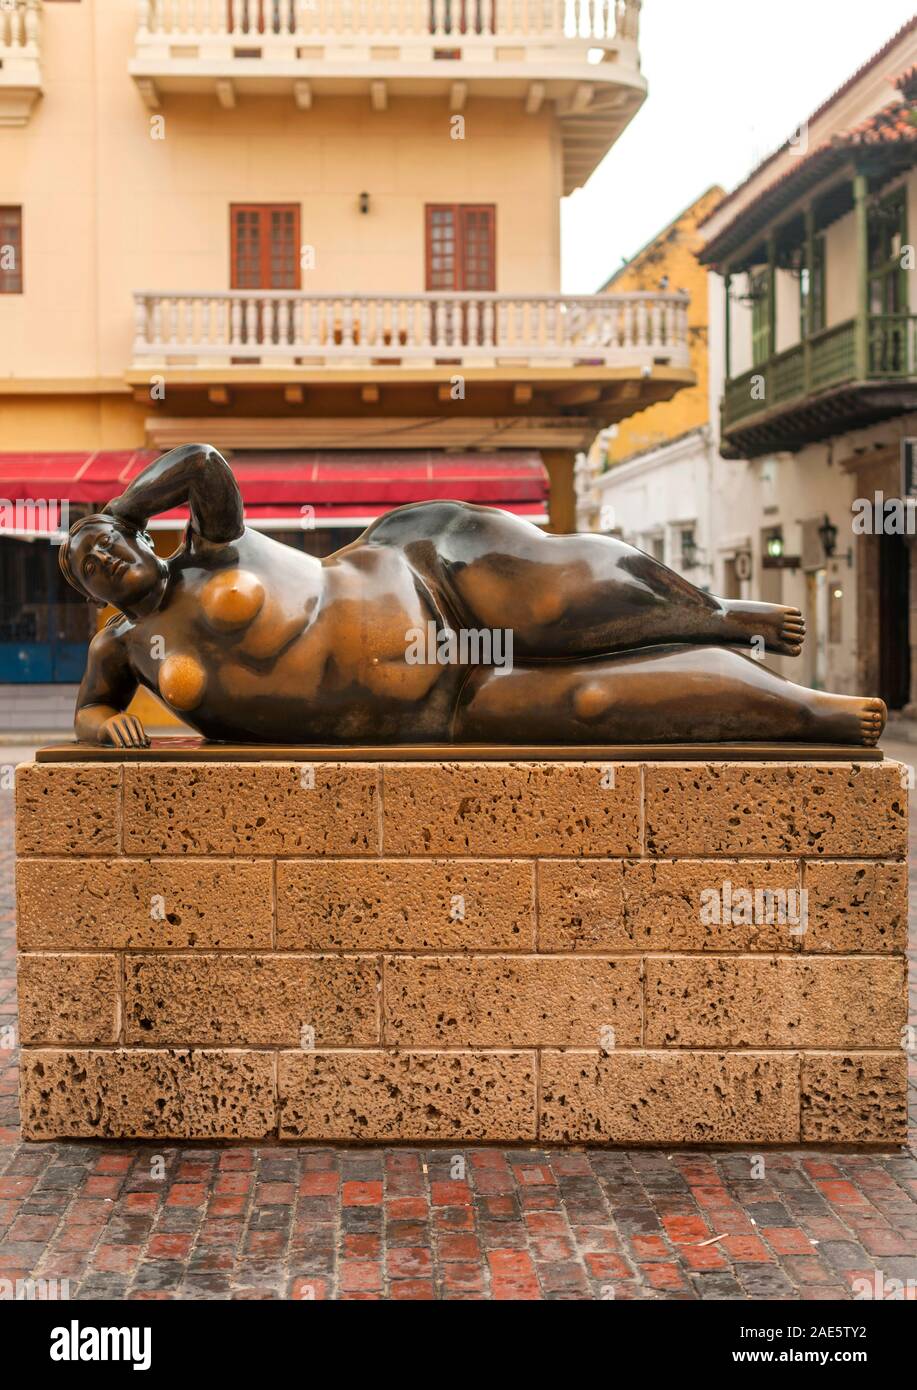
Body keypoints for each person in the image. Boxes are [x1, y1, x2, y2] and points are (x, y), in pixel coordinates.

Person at [59, 444, 885, 748]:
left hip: (431, 588)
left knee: (571, 601)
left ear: (139, 533)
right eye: (83, 563)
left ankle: (710, 614)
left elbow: (202, 459)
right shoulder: (123, 646)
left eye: (105, 541)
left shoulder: (212, 547)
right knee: (600, 701)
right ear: (88, 590)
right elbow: (90, 712)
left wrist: (118, 507)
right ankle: (807, 711)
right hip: (439, 711)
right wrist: (107, 729)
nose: (99, 558)